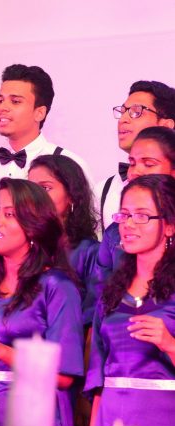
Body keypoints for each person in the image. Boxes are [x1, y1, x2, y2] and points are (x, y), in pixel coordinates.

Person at [0, 178, 84, 426]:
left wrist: (1, 350)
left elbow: (64, 377)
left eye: (9, 214)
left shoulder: (57, 287)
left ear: (34, 226)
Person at [86, 174, 175, 426]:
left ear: (170, 226)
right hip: (112, 416)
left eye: (141, 216)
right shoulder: (111, 292)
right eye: (124, 215)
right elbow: (98, 376)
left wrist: (169, 344)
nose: (128, 224)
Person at [0, 64, 92, 189]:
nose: (3, 107)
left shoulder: (72, 165)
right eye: (0, 100)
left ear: (39, 113)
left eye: (15, 101)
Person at [28, 155, 101, 326]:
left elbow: (93, 312)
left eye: (45, 188)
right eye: (31, 189)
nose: (34, 197)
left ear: (72, 196)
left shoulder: (89, 252)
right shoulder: (21, 246)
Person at [97, 81, 175, 231]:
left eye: (136, 111)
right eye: (123, 112)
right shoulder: (103, 190)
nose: (123, 119)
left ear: (166, 125)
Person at [98, 126, 175, 274]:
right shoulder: (115, 232)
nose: (135, 172)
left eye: (149, 164)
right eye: (132, 163)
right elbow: (98, 285)